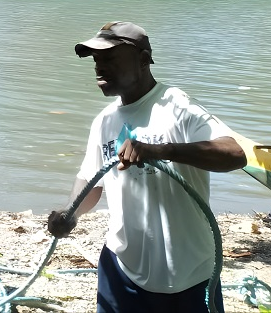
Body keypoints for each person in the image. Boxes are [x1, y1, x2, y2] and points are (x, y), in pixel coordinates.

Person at [47, 22, 246, 313]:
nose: (98, 67)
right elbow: (91, 180)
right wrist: (70, 212)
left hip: (188, 272)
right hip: (121, 269)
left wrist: (163, 150)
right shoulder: (104, 121)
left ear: (142, 60)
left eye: (109, 58)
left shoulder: (177, 106)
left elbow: (235, 154)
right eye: (96, 59)